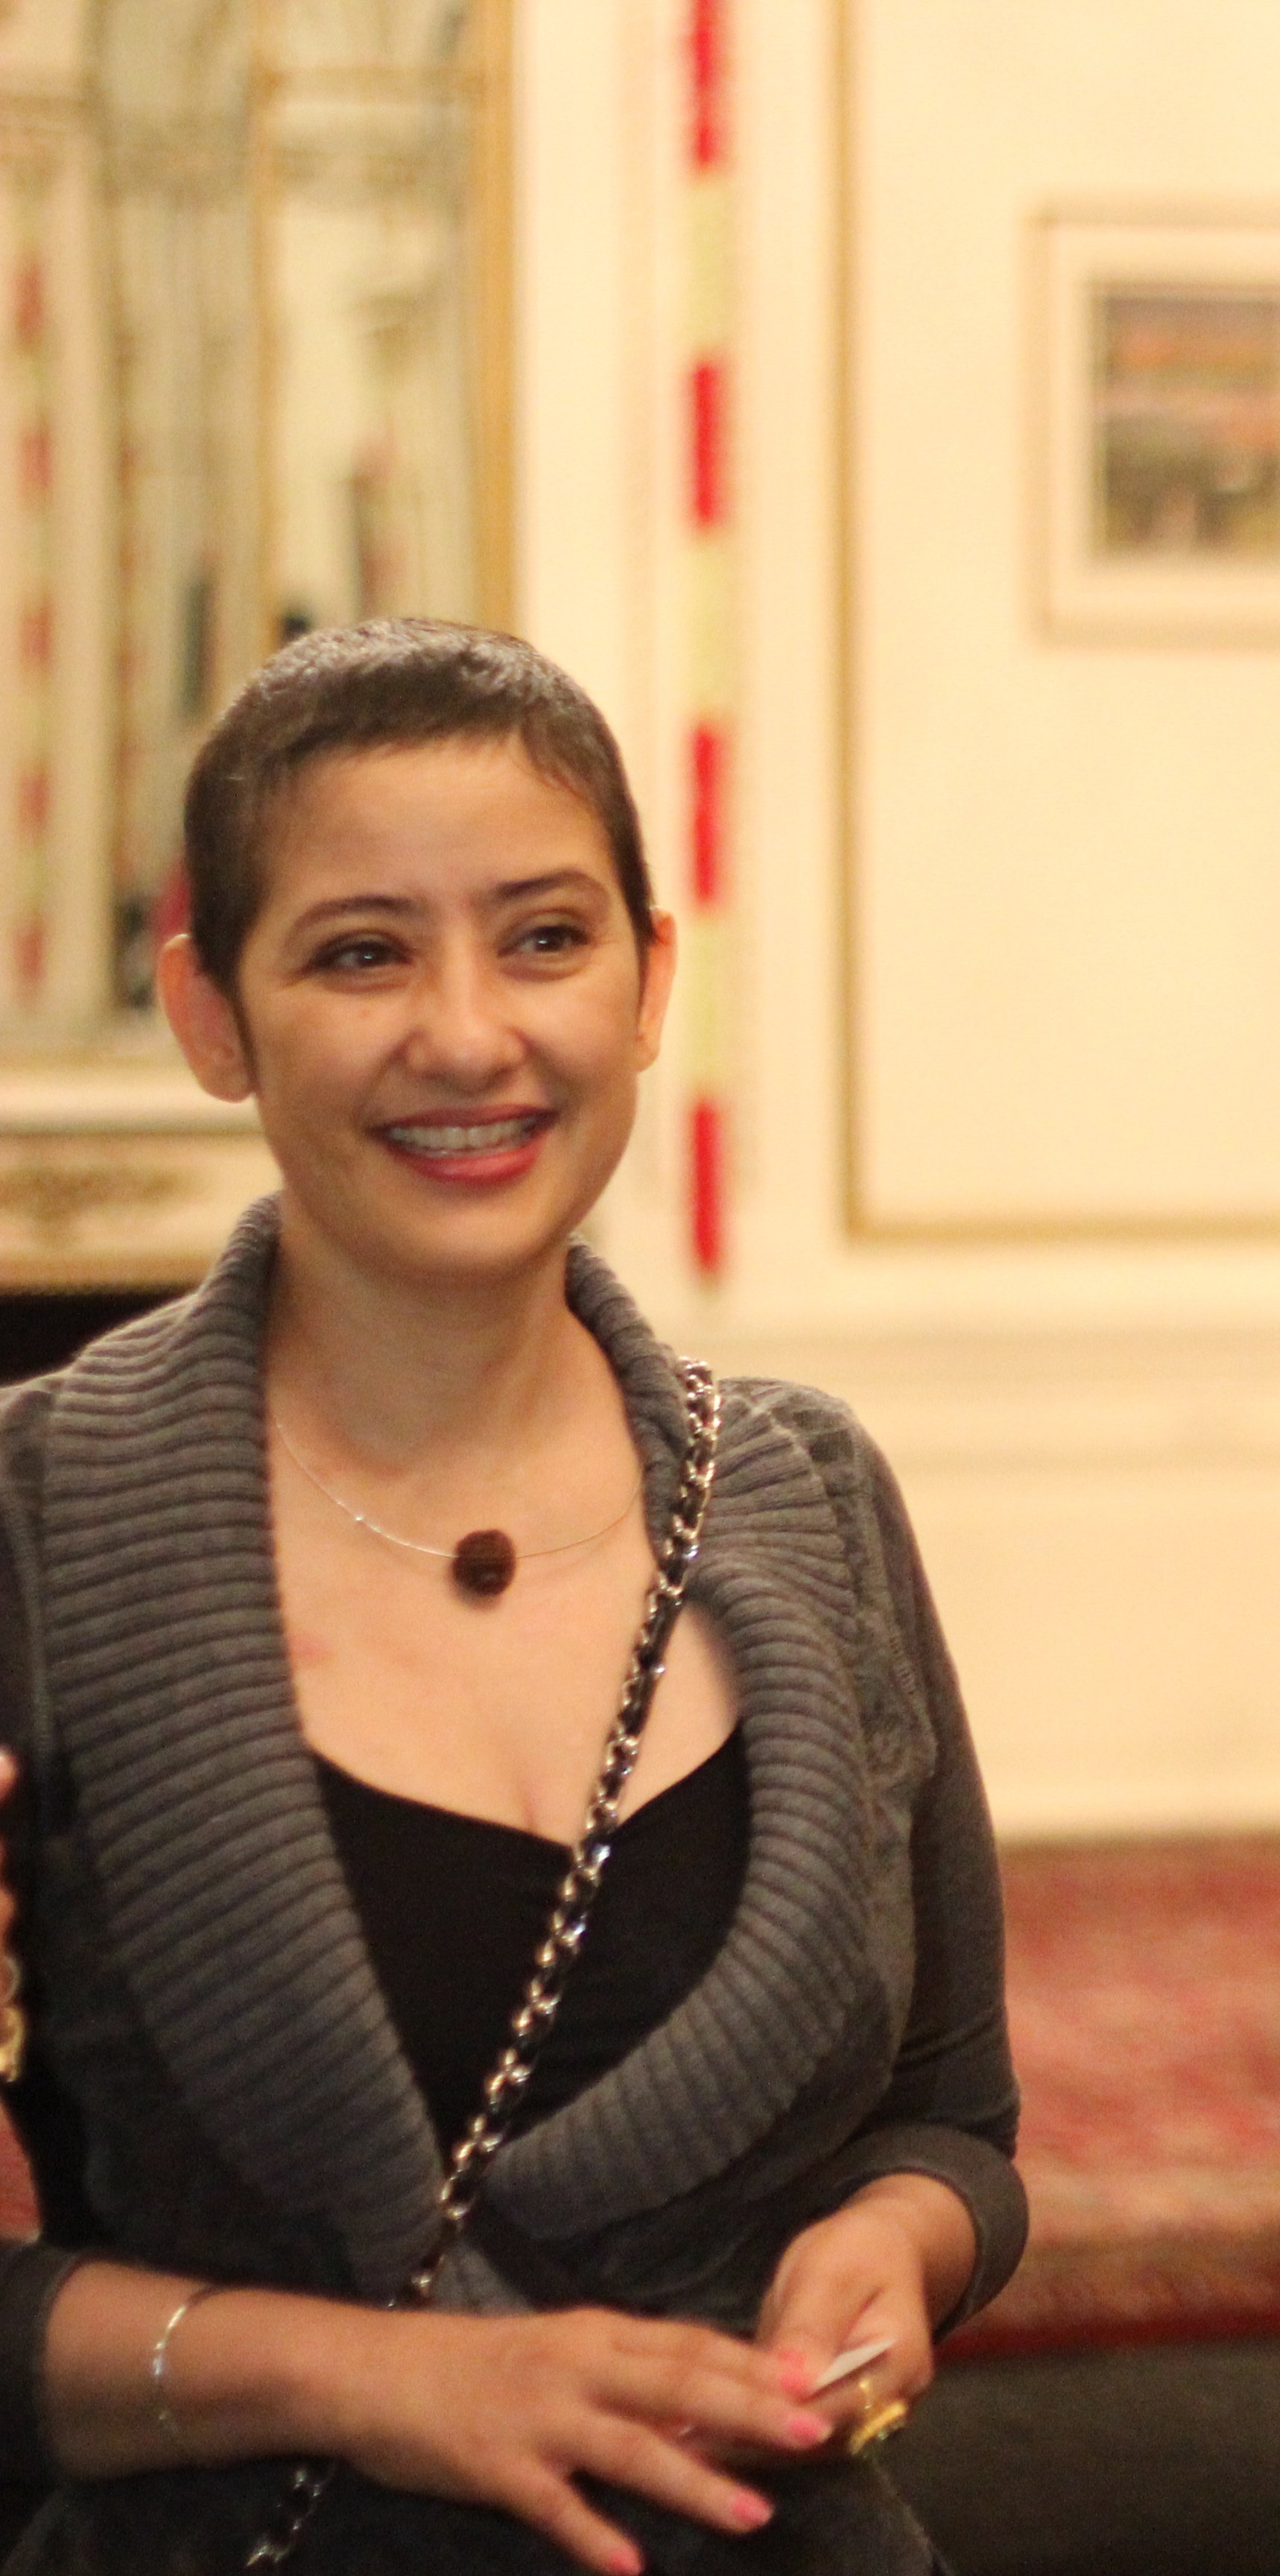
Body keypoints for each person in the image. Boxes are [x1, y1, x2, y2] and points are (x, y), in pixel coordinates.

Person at [0, 619, 1024, 2573]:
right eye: (362, 951)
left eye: (546, 938)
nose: (469, 1034)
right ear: (208, 1010)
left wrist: (890, 2254)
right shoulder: (42, 1528)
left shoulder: (807, 1497)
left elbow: (954, 2123)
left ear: (651, 978)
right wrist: (375, 2383)